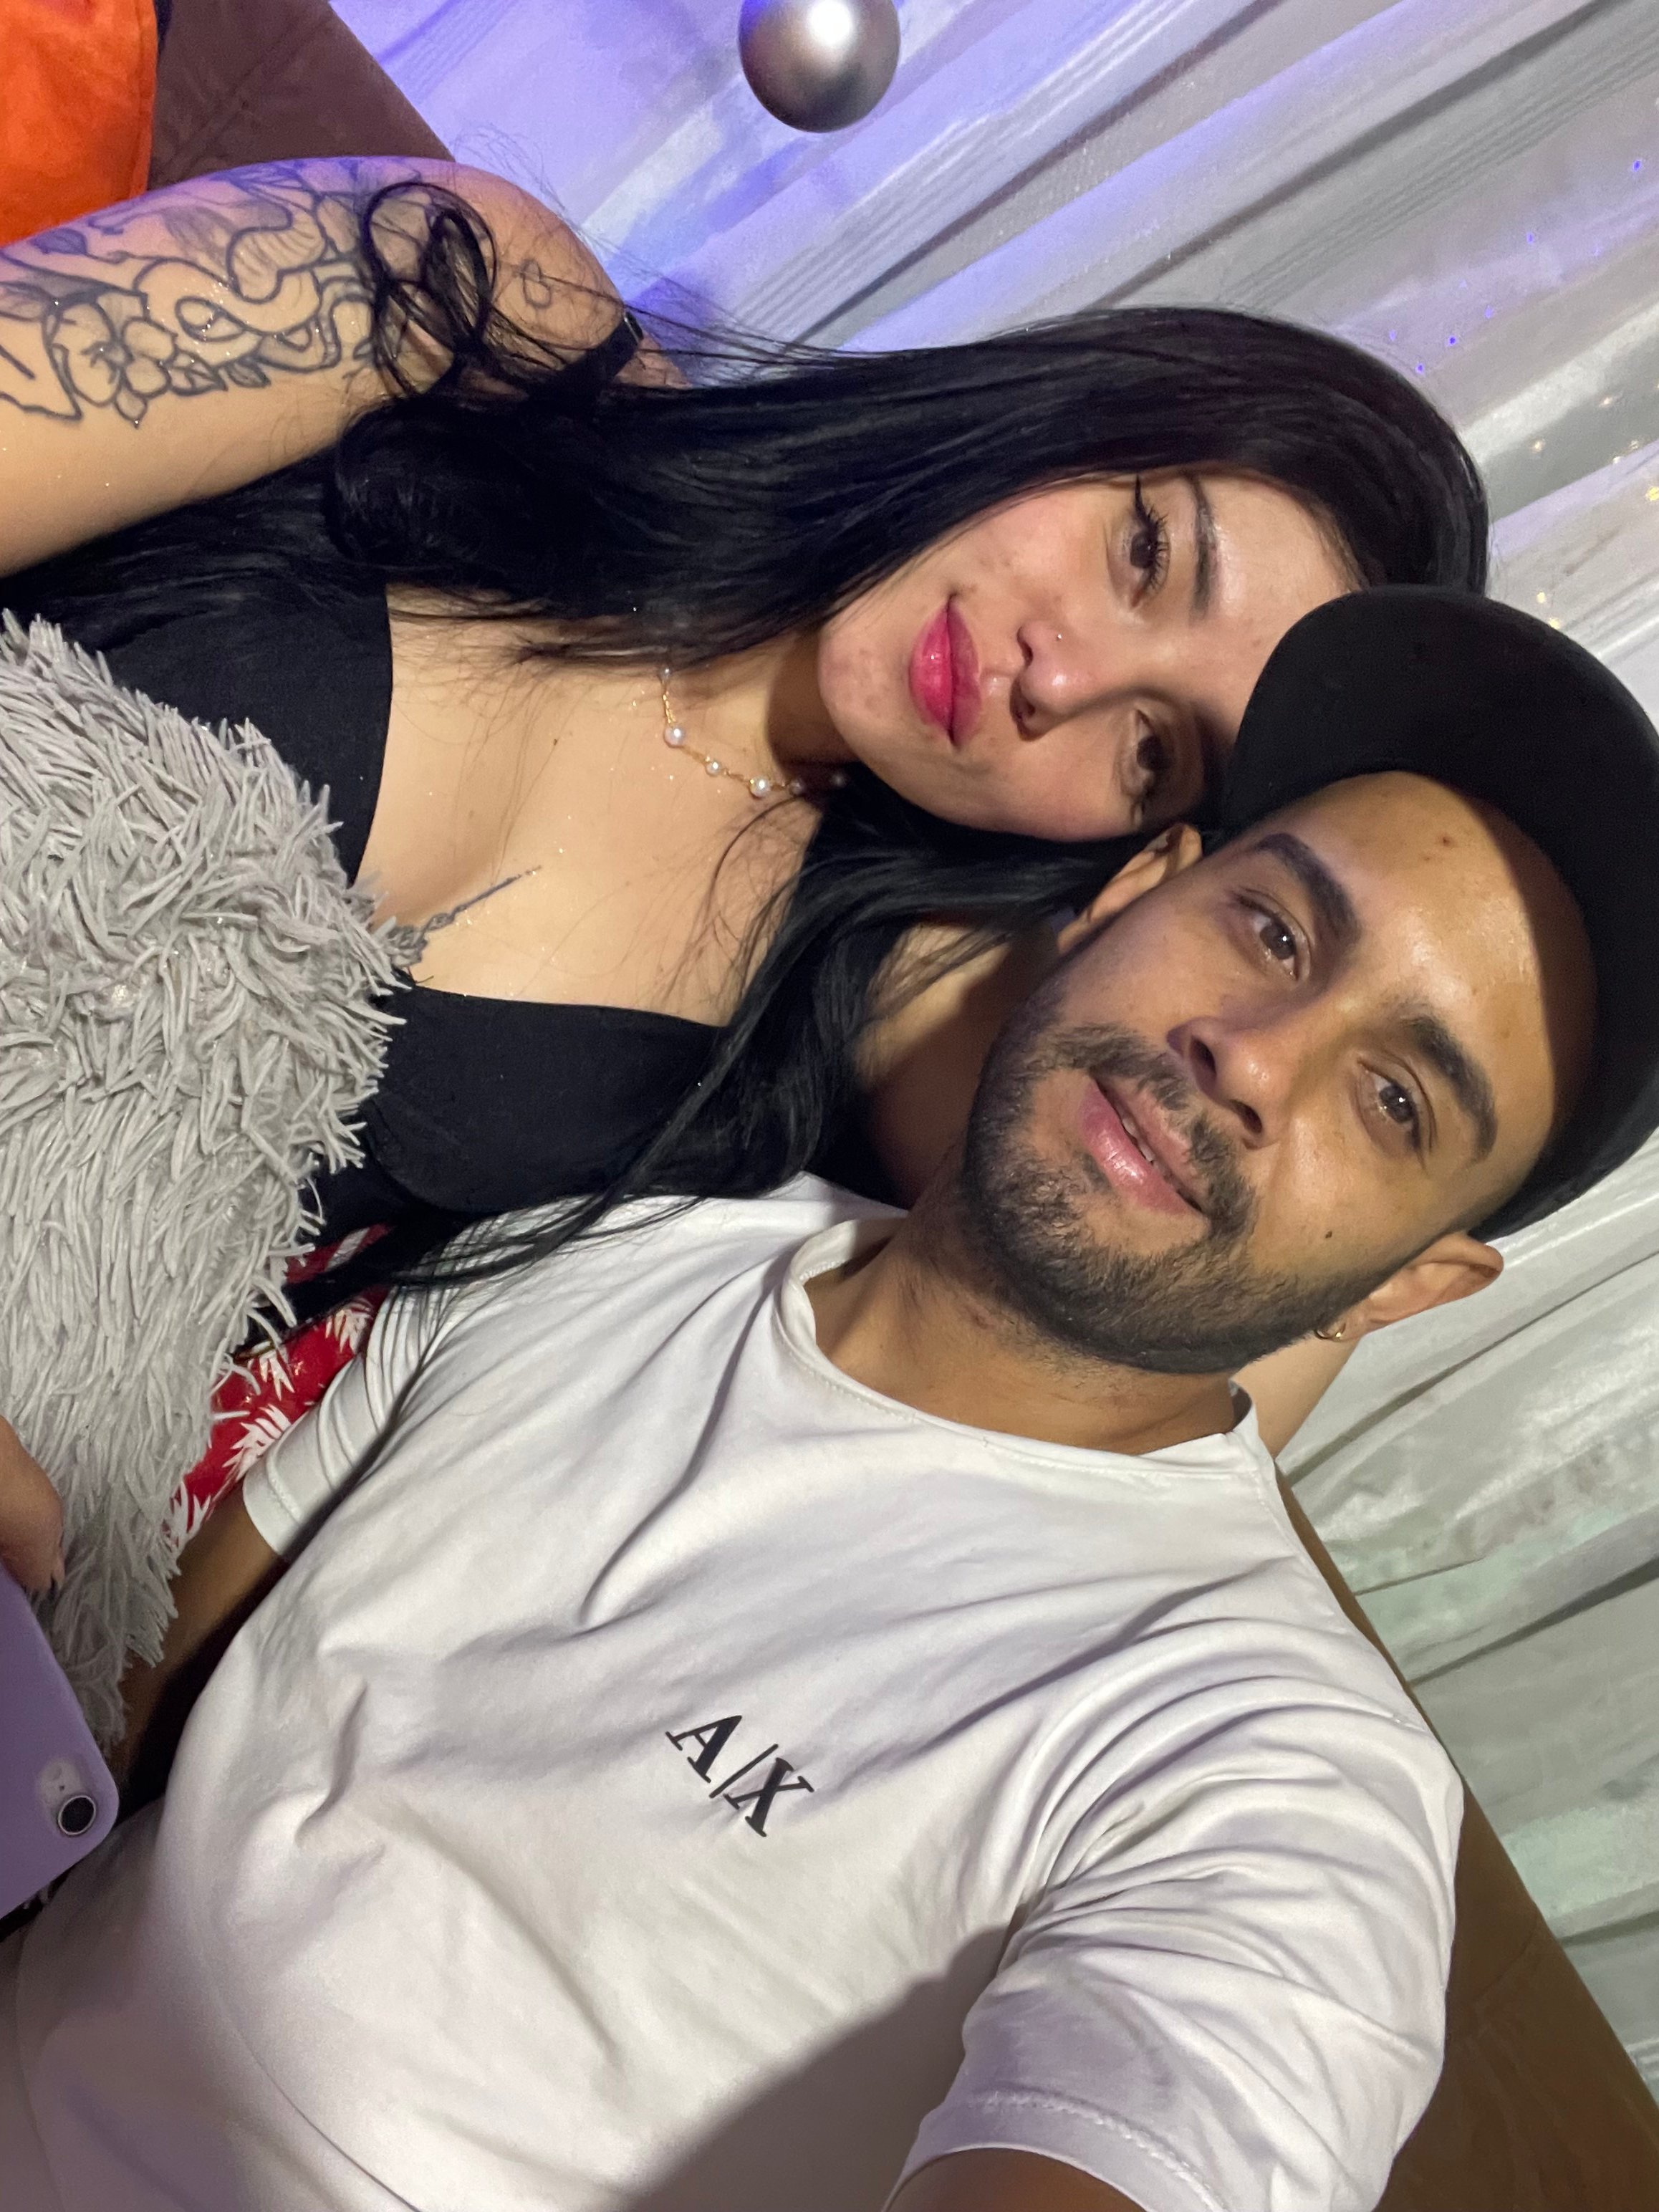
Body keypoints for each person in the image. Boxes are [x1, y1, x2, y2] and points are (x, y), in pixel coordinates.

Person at [10, 590, 1658, 2212]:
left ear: (1408, 1281)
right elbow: (122, 1712)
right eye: (1276, 931)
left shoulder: (1280, 1774)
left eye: (1393, 1098)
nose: (1254, 1054)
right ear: (1135, 890)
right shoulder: (628, 1236)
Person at [0, 155, 1486, 1594]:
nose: (1062, 677)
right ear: (1082, 405)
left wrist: (1395, 1214)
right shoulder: (480, 301)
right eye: (1145, 552)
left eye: (1155, 749)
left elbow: (1151, 1383)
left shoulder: (872, 974)